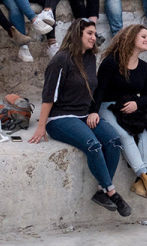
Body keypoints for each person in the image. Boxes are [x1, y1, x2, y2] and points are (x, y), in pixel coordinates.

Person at [28, 18, 132, 217]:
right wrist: (41, 127)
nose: (94, 37)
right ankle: (112, 193)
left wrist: (94, 111)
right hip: (60, 118)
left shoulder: (90, 58)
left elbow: (93, 90)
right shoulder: (61, 60)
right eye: (90, 34)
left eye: (94, 33)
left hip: (85, 115)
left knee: (114, 141)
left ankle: (102, 192)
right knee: (93, 145)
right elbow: (49, 96)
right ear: (78, 35)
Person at [94, 25, 147, 199]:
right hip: (108, 106)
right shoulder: (111, 62)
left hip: (132, 108)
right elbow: (99, 90)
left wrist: (136, 104)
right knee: (124, 135)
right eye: (144, 37)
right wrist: (93, 112)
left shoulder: (145, 68)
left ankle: (144, 177)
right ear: (131, 38)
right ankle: (144, 176)